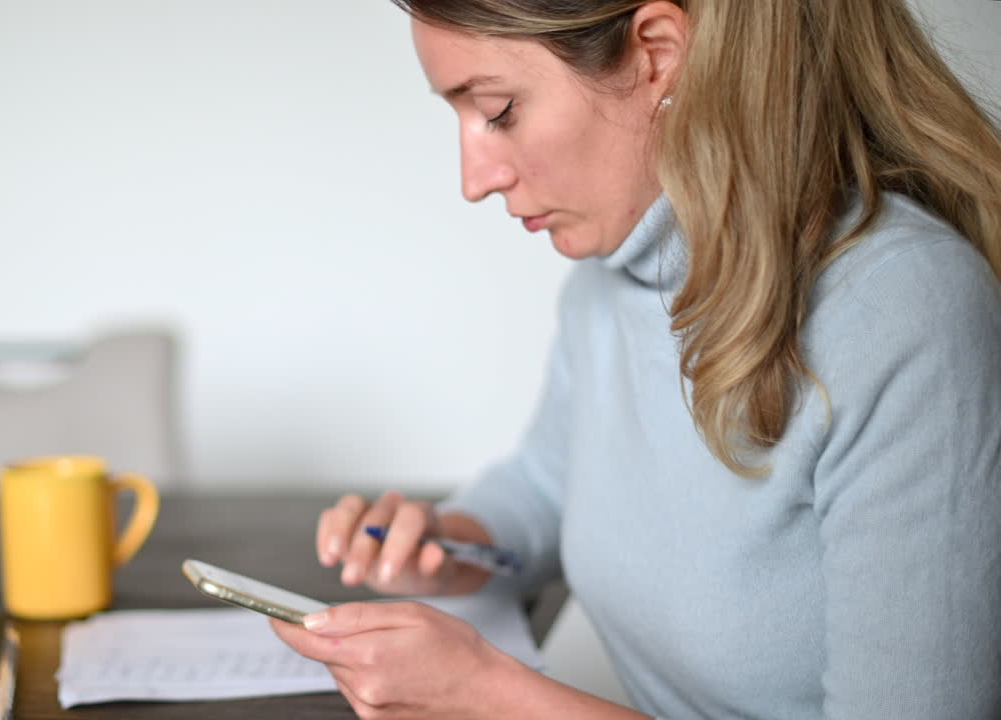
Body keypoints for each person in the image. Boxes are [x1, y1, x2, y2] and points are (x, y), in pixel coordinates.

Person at [271, 0, 1001, 718]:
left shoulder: (905, 313)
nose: (475, 178)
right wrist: (451, 543)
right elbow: (547, 487)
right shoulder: (610, 279)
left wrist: (488, 695)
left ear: (657, 53)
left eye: (498, 111)